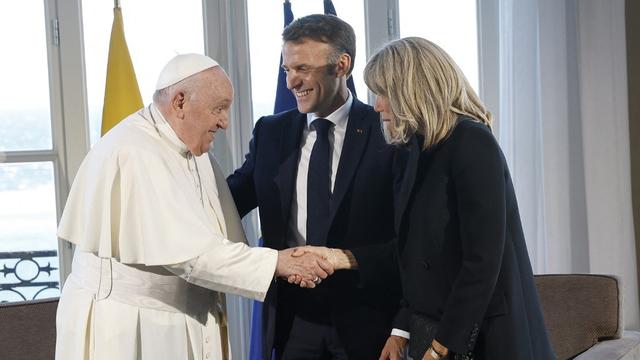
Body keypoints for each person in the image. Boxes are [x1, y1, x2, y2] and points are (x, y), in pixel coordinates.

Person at [55, 54, 333, 360]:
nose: (225, 122)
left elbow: (210, 234)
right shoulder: (135, 152)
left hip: (183, 317)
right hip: (134, 325)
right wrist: (279, 263)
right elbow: (191, 255)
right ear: (179, 102)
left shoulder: (191, 148)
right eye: (219, 108)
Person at [363, 37, 556, 360]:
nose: (377, 105)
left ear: (413, 89)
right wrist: (401, 330)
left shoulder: (472, 142)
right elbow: (414, 256)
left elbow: (482, 261)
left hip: (487, 339)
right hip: (436, 331)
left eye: (383, 93)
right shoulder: (414, 150)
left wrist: (441, 347)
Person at [227, 14, 404, 360]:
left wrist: (402, 327)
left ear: (341, 66)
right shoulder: (271, 133)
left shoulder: (386, 133)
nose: (292, 82)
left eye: (303, 69)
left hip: (370, 323)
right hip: (292, 322)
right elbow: (229, 199)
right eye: (287, 70)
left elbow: (411, 242)